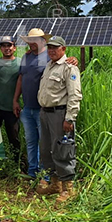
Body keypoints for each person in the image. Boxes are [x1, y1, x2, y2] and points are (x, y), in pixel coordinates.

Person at [13, 28, 78, 178]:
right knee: (33, 143)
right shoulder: (27, 57)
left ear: (43, 41)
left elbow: (70, 82)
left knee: (50, 145)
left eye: (35, 41)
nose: (32, 44)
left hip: (46, 110)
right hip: (30, 109)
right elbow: (21, 78)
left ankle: (48, 176)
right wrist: (15, 100)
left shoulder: (51, 58)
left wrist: (72, 58)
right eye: (29, 41)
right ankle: (33, 172)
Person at [36, 36, 82, 201]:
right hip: (45, 113)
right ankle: (55, 185)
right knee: (47, 149)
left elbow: (75, 95)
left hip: (60, 114)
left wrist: (70, 118)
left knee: (63, 150)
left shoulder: (69, 67)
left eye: (55, 48)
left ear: (63, 49)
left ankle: (68, 189)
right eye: (49, 48)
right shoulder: (49, 65)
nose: (51, 51)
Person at [0, 36, 20, 163]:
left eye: (9, 45)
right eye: (4, 46)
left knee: (14, 137)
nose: (7, 48)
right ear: (0, 48)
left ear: (14, 48)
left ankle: (15, 164)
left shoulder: (20, 63)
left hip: (12, 108)